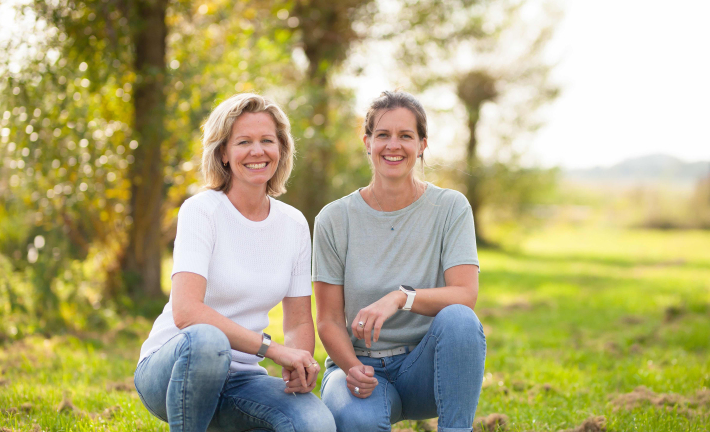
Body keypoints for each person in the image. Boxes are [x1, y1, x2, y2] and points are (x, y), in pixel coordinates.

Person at [134, 93, 336, 432]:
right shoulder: (202, 211)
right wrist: (273, 351)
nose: (257, 151)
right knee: (208, 341)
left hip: (241, 380)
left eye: (267, 141)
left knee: (316, 424)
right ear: (224, 153)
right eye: (244, 141)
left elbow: (300, 320)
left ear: (281, 149)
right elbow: (187, 311)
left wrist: (299, 362)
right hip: (172, 370)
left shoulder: (295, 223)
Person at [312, 90, 486, 432]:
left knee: (461, 320)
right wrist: (351, 367)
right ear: (367, 142)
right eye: (383, 135)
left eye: (406, 136)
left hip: (427, 368)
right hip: (359, 367)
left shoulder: (451, 208)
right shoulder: (334, 218)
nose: (394, 145)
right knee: (357, 421)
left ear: (422, 144)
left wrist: (400, 297)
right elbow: (329, 319)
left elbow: (465, 294)